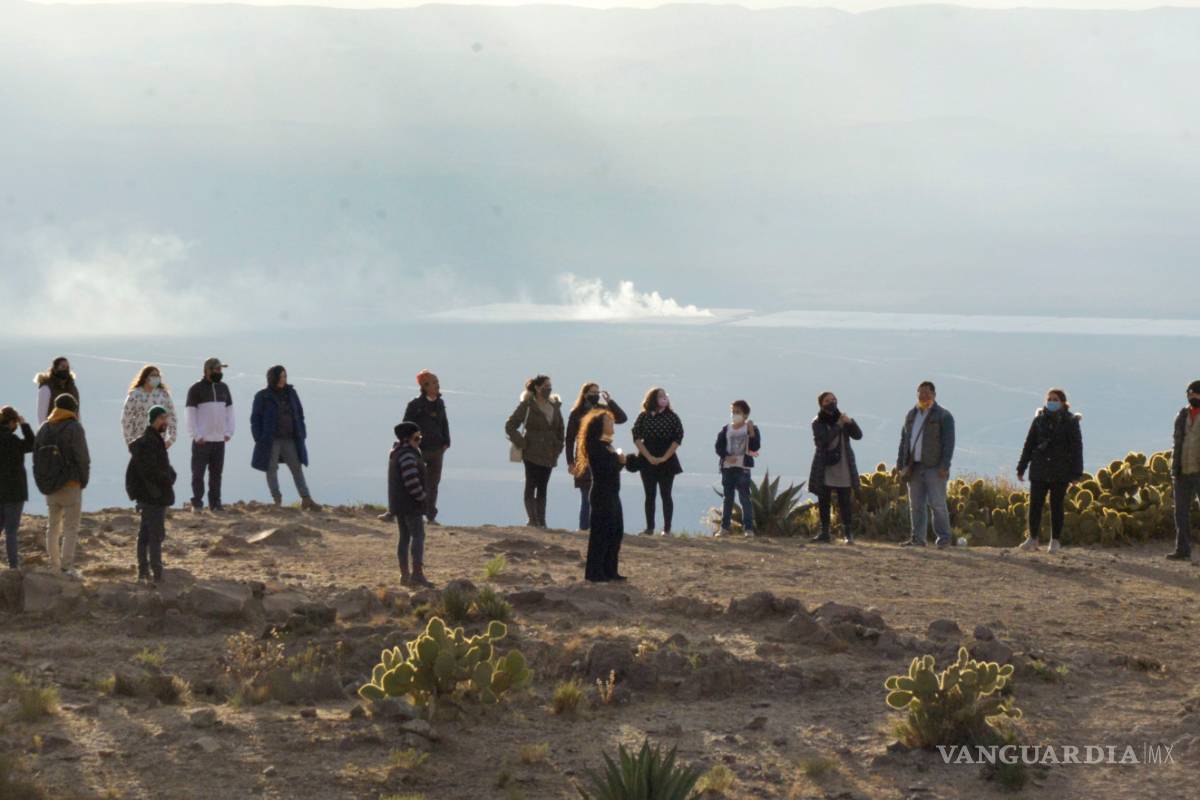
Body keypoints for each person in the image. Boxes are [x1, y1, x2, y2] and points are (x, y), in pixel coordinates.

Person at [573, 408, 639, 582]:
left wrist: (626, 461)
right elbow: (604, 469)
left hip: (612, 493)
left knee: (615, 532)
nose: (612, 423)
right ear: (600, 425)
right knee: (600, 534)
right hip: (601, 494)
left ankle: (610, 570)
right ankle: (595, 572)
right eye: (609, 421)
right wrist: (620, 462)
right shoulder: (594, 444)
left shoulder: (607, 444)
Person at [1016, 389, 1083, 554]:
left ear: (1063, 402)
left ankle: (1055, 540)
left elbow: (1076, 448)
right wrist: (1021, 467)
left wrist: (1076, 473)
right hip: (1039, 469)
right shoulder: (1039, 420)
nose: (1052, 402)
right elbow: (1029, 444)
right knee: (1035, 505)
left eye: (1055, 399)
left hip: (1060, 471)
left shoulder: (1070, 421)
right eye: (1050, 399)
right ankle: (1033, 538)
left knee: (1056, 506)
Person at [33, 393, 90, 577]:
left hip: (50, 485)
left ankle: (54, 565)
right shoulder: (74, 427)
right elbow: (82, 457)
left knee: (53, 526)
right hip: (71, 483)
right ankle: (66, 568)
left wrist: (42, 482)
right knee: (70, 528)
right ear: (73, 409)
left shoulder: (44, 428)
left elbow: (36, 458)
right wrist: (83, 480)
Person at [896, 381, 956, 548]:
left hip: (935, 467)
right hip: (913, 466)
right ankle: (917, 539)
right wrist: (901, 465)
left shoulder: (943, 416)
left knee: (937, 504)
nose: (923, 396)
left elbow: (948, 443)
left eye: (927, 393)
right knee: (916, 505)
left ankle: (944, 539)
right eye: (920, 393)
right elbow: (904, 441)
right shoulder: (911, 415)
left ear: (934, 394)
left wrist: (945, 466)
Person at [251, 366, 319, 510]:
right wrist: (259, 438)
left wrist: (302, 432)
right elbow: (255, 419)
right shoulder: (262, 396)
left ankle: (306, 499)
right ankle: (277, 500)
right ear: (273, 378)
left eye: (285, 376)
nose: (284, 379)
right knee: (271, 469)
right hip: (270, 440)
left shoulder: (291, 393)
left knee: (296, 468)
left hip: (290, 439)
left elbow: (300, 414)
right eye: (281, 376)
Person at [566, 382, 628, 531]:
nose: (595, 395)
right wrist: (570, 462)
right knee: (586, 496)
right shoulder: (576, 413)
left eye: (597, 392)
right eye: (592, 392)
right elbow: (569, 439)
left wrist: (610, 402)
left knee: (602, 494)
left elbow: (622, 418)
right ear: (585, 394)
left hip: (603, 453)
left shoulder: (603, 409)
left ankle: (599, 527)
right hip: (583, 456)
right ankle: (584, 528)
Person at [505, 375, 565, 529]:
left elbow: (560, 429)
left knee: (543, 486)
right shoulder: (527, 406)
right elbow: (510, 425)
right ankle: (532, 520)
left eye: (550, 385)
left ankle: (542, 521)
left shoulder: (555, 406)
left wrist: (558, 446)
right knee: (531, 484)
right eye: (546, 385)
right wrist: (522, 442)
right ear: (537, 388)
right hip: (531, 452)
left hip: (549, 453)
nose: (549, 388)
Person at [125, 406, 176, 583]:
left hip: (147, 496)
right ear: (154, 419)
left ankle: (143, 571)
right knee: (155, 536)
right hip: (154, 496)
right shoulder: (150, 443)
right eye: (163, 418)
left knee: (145, 535)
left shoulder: (149, 441)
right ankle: (157, 573)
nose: (166, 422)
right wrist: (167, 479)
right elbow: (152, 470)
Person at [808, 392, 863, 544]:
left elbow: (858, 435)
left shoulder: (844, 419)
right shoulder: (817, 422)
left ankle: (848, 534)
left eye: (834, 399)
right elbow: (823, 441)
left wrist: (850, 422)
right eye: (828, 400)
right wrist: (838, 426)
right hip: (825, 465)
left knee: (845, 501)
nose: (832, 402)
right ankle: (824, 532)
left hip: (844, 465)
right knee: (824, 500)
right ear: (821, 404)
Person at [631, 387, 684, 536]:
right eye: (660, 396)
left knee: (666, 494)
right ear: (653, 399)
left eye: (665, 396)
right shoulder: (643, 416)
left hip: (667, 460)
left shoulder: (673, 417)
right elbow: (636, 436)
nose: (664, 399)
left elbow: (678, 438)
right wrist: (648, 457)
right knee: (650, 494)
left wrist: (665, 457)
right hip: (646, 459)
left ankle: (666, 529)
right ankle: (649, 528)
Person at [401, 370, 450, 525]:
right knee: (416, 482)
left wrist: (446, 441)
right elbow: (405, 426)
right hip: (420, 450)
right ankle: (412, 512)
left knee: (433, 484)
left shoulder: (440, 403)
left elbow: (444, 423)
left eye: (437, 382)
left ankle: (430, 515)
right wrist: (411, 443)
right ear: (424, 386)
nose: (437, 385)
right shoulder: (415, 405)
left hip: (437, 449)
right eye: (434, 382)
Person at [185, 357, 235, 512]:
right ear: (207, 371)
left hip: (219, 440)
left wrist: (229, 432)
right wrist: (196, 435)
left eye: (221, 370)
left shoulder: (224, 388)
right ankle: (197, 503)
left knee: (216, 474)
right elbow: (190, 414)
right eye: (217, 369)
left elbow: (230, 411)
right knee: (198, 473)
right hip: (202, 441)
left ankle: (215, 503)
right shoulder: (195, 389)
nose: (220, 372)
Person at [389, 421, 432, 587]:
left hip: (399, 505)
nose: (419, 441)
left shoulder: (397, 453)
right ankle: (417, 574)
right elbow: (411, 480)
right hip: (411, 505)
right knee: (418, 536)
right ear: (407, 439)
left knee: (404, 538)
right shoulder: (408, 455)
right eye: (416, 437)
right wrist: (422, 496)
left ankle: (404, 575)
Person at [715, 400, 761, 537]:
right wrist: (726, 457)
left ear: (746, 415)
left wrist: (752, 432)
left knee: (745, 498)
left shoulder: (751, 428)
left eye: (738, 412)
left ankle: (748, 529)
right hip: (728, 468)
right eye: (733, 412)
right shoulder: (726, 429)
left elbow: (755, 447)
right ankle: (724, 528)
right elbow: (718, 447)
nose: (735, 415)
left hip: (743, 468)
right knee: (727, 498)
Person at [1167, 379, 1200, 562]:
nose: (1191, 397)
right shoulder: (1182, 415)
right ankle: (1182, 549)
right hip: (1182, 471)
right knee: (1180, 512)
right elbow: (1177, 442)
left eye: (1195, 393)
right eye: (1189, 394)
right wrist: (1175, 468)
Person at [0, 406, 35, 569]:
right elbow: (32, 444)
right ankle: (13, 565)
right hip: (14, 491)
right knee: (11, 531)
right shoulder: (13, 441)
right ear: (13, 422)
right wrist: (24, 425)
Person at [121, 365, 177, 449]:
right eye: (153, 375)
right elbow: (126, 419)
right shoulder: (135, 395)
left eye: (158, 376)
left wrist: (171, 440)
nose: (156, 378)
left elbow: (172, 416)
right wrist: (130, 442)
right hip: (140, 440)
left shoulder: (163, 395)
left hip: (159, 441)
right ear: (145, 378)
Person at [34, 357, 79, 424]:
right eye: (63, 367)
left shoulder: (72, 388)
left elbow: (77, 412)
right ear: (55, 369)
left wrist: (78, 429)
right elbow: (41, 414)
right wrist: (44, 431)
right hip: (53, 430)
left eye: (67, 367)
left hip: (71, 429)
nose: (66, 370)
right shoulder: (46, 388)